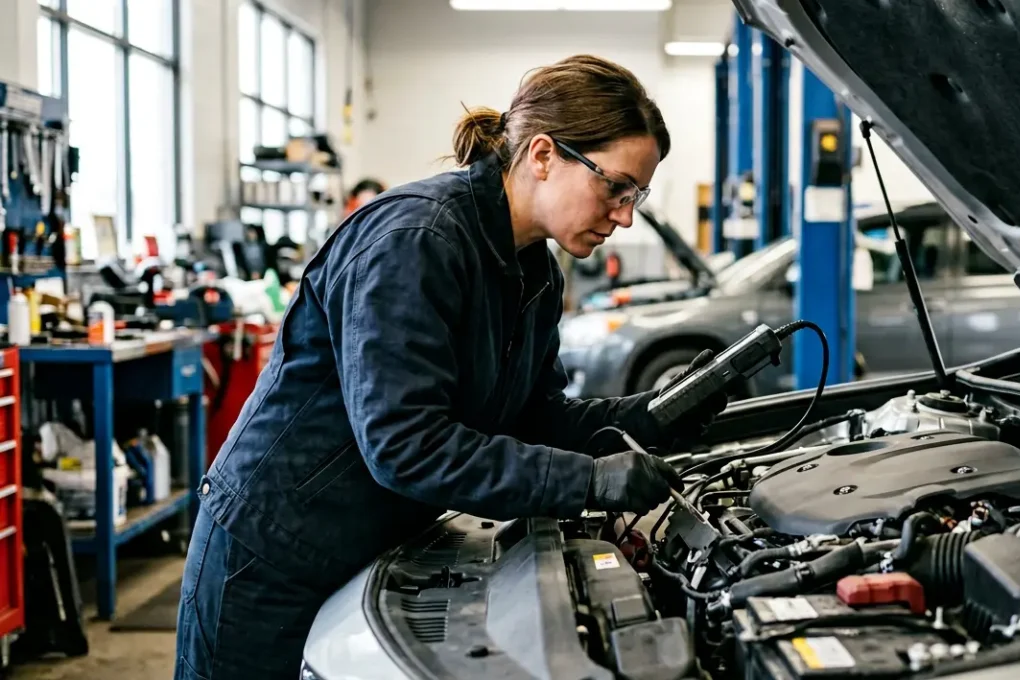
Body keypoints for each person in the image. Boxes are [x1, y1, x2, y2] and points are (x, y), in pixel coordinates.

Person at [173, 55, 727, 679]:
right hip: (274, 555)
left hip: (370, 544)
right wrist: (592, 481)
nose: (625, 216)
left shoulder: (535, 271)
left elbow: (536, 417)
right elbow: (404, 444)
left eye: (638, 196)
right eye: (615, 188)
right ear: (544, 155)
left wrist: (655, 415)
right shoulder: (417, 240)